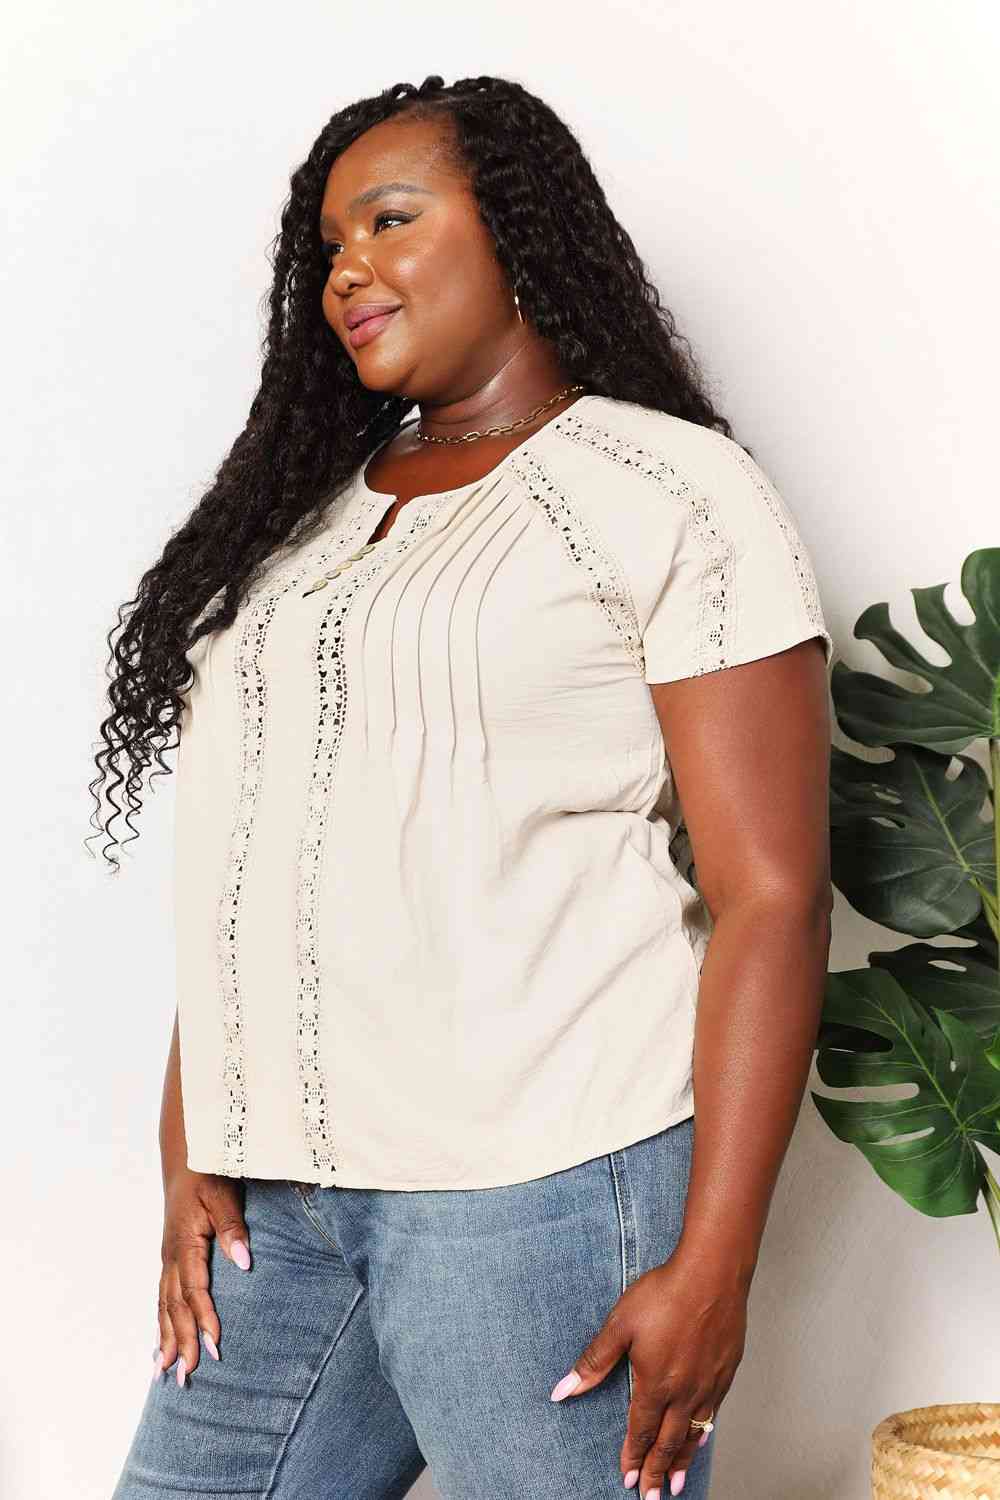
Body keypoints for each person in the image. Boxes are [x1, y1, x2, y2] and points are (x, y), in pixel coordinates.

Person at [95, 73, 834, 1500]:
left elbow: (774, 893)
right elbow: (257, 847)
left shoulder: (669, 491)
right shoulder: (299, 527)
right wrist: (192, 1138)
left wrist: (717, 1266)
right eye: (328, 246)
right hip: (277, 1210)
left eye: (390, 220)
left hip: (539, 1195)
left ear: (516, 229)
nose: (345, 269)